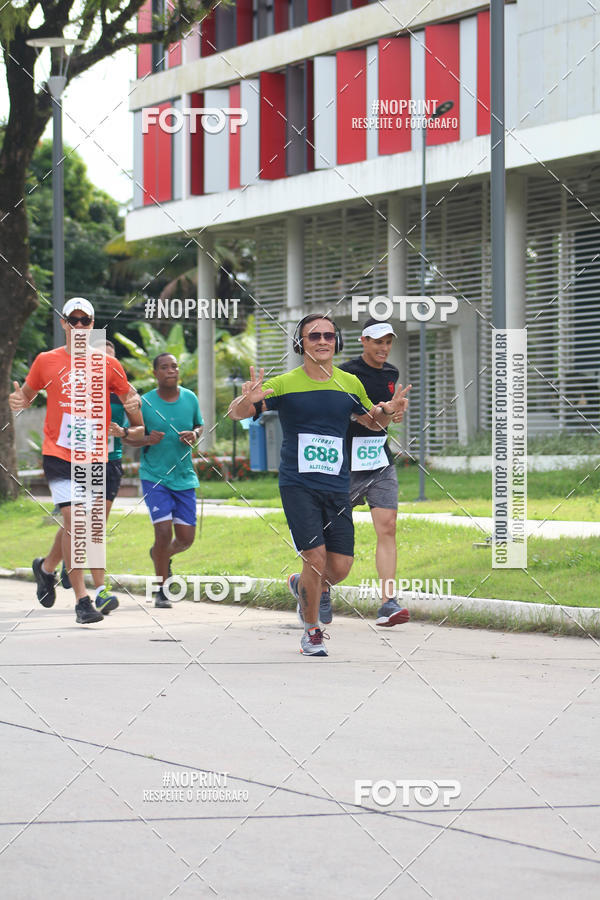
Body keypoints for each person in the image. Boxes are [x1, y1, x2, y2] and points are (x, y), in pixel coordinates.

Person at [228, 313, 410, 658]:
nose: (323, 341)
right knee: (314, 557)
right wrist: (247, 400)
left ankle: (302, 587)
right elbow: (237, 414)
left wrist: (389, 411)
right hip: (298, 484)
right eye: (314, 336)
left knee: (339, 567)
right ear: (301, 344)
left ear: (336, 342)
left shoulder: (348, 383)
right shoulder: (284, 383)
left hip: (337, 484)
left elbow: (371, 423)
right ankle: (312, 631)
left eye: (328, 335)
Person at [9, 298, 144, 624]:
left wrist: (131, 426)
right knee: (77, 522)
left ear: (93, 324)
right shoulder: (46, 361)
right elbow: (25, 396)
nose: (80, 326)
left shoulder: (109, 365)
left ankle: (46, 568)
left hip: (93, 455)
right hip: (57, 453)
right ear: (63, 323)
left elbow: (133, 412)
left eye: (87, 321)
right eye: (74, 320)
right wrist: (18, 401)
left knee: (83, 524)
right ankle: (83, 601)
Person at [339, 318, 410, 626]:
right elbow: (353, 414)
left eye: (388, 342)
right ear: (364, 341)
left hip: (378, 458)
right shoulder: (345, 373)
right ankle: (313, 589)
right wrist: (381, 412)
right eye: (378, 341)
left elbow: (388, 420)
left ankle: (388, 602)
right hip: (343, 460)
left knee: (388, 525)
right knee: (334, 533)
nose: (384, 348)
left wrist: (394, 414)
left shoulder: (392, 373)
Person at [125, 353, 203, 609]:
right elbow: (128, 437)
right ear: (156, 373)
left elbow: (199, 426)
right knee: (162, 531)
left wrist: (194, 433)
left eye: (174, 366)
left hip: (184, 477)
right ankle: (162, 589)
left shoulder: (190, 398)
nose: (171, 371)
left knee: (185, 540)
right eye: (164, 367)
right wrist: (147, 439)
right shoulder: (144, 403)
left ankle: (159, 555)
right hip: (154, 476)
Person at [59, 339, 132, 592]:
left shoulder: (125, 392)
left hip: (111, 464)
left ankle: (64, 562)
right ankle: (88, 578)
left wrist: (122, 431)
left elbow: (138, 425)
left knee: (93, 525)